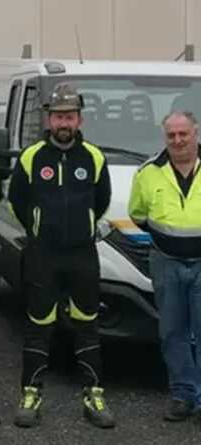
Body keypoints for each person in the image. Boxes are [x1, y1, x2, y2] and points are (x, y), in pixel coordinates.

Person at [8, 84, 114, 429]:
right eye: (57, 116)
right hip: (44, 257)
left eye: (69, 115)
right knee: (39, 328)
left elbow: (101, 202)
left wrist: (79, 230)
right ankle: (31, 395)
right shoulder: (31, 157)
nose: (63, 122)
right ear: (49, 119)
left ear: (79, 118)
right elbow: (17, 201)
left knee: (87, 326)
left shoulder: (94, 158)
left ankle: (93, 395)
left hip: (82, 256)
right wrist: (40, 230)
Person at [129, 110, 201, 422]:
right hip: (166, 262)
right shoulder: (148, 172)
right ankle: (183, 395)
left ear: (196, 133)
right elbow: (138, 214)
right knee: (173, 333)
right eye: (171, 135)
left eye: (183, 133)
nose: (178, 140)